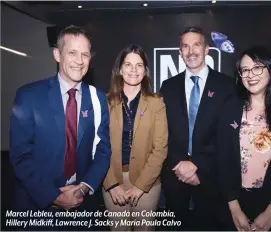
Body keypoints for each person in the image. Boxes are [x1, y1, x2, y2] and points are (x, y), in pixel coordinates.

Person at [9, 25, 111, 216]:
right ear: (57, 54)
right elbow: (20, 155)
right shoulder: (29, 96)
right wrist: (53, 196)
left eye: (85, 54)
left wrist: (83, 188)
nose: (79, 61)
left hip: (82, 205)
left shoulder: (98, 98)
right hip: (37, 207)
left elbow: (103, 150)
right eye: (72, 53)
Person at [160, 26, 236, 230]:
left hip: (210, 176)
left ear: (206, 49)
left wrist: (197, 165)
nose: (191, 51)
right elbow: (162, 132)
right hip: (175, 175)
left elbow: (227, 135)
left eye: (196, 45)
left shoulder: (226, 86)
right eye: (185, 46)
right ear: (180, 52)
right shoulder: (167, 87)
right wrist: (179, 164)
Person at [102, 44, 168, 231]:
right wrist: (111, 184)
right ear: (120, 69)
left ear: (145, 71)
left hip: (146, 180)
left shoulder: (156, 102)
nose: (133, 70)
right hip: (112, 178)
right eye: (128, 64)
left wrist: (141, 186)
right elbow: (98, 146)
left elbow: (160, 147)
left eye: (139, 65)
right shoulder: (104, 102)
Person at [218, 46, 271, 231]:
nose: (251, 74)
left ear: (270, 69)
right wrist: (233, 206)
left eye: (257, 67)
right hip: (235, 201)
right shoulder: (230, 108)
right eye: (245, 70)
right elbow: (223, 159)